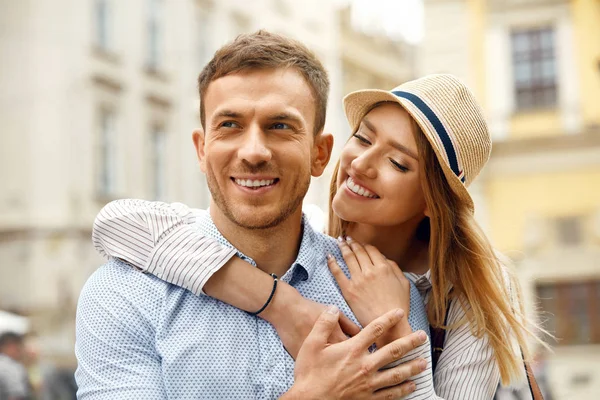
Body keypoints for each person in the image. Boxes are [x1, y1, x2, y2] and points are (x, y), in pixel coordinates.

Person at [93, 71, 546, 398]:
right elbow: (116, 224)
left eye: (398, 163)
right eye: (365, 139)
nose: (363, 164)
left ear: (432, 201)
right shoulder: (301, 235)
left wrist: (397, 333)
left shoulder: (470, 290)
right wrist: (282, 304)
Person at [75, 30, 431, 400]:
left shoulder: (387, 300)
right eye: (230, 125)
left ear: (320, 154)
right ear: (202, 149)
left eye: (280, 126)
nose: (254, 152)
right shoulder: (124, 292)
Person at [0, 332, 31, 400]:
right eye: (19, 345)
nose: (21, 350)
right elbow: (16, 396)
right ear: (11, 346)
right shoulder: (12, 367)